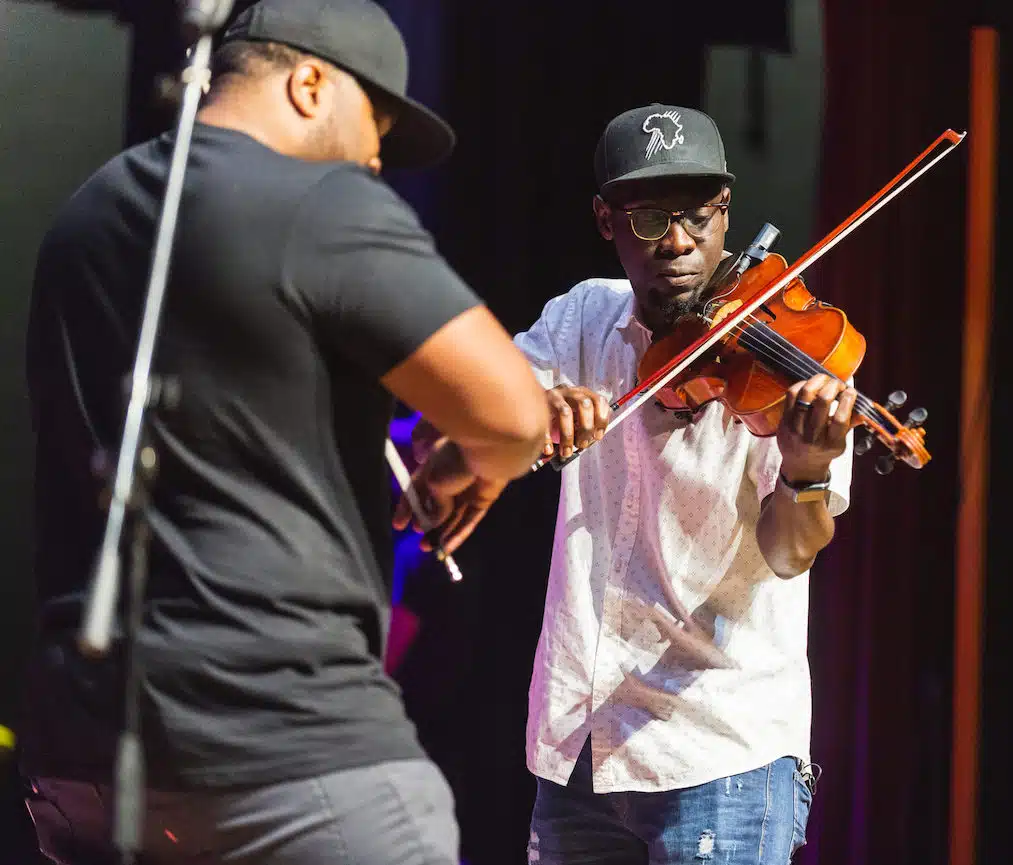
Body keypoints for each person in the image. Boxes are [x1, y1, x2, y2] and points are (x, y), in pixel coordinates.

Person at [19, 0, 549, 863]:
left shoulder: (85, 212)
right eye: (373, 127)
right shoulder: (321, 202)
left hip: (80, 754)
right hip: (279, 744)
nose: (376, 161)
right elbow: (516, 414)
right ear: (308, 84)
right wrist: (475, 462)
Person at [515, 104, 858, 864]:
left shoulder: (795, 355)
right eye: (648, 219)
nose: (677, 240)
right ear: (606, 220)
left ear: (726, 211)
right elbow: (489, 405)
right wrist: (533, 405)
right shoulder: (580, 318)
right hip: (579, 742)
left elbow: (790, 551)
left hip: (719, 754)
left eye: (698, 216)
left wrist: (805, 471)